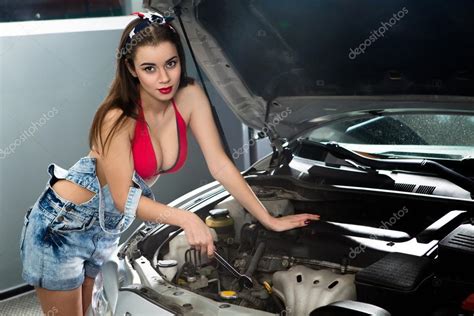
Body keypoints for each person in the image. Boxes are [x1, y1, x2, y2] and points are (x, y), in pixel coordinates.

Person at [18, 11, 320, 315]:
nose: (163, 78)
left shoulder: (189, 96)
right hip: (64, 225)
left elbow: (221, 165)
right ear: (131, 69)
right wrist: (187, 218)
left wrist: (269, 219)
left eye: (171, 64)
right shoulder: (118, 117)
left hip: (107, 230)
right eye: (149, 68)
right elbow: (124, 199)